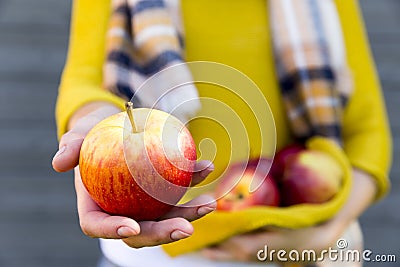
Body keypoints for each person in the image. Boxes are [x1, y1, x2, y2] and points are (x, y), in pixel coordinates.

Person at [52, 0, 391, 266]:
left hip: (300, 251)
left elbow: (368, 133)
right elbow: (83, 83)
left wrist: (328, 233)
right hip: (151, 260)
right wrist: (92, 125)